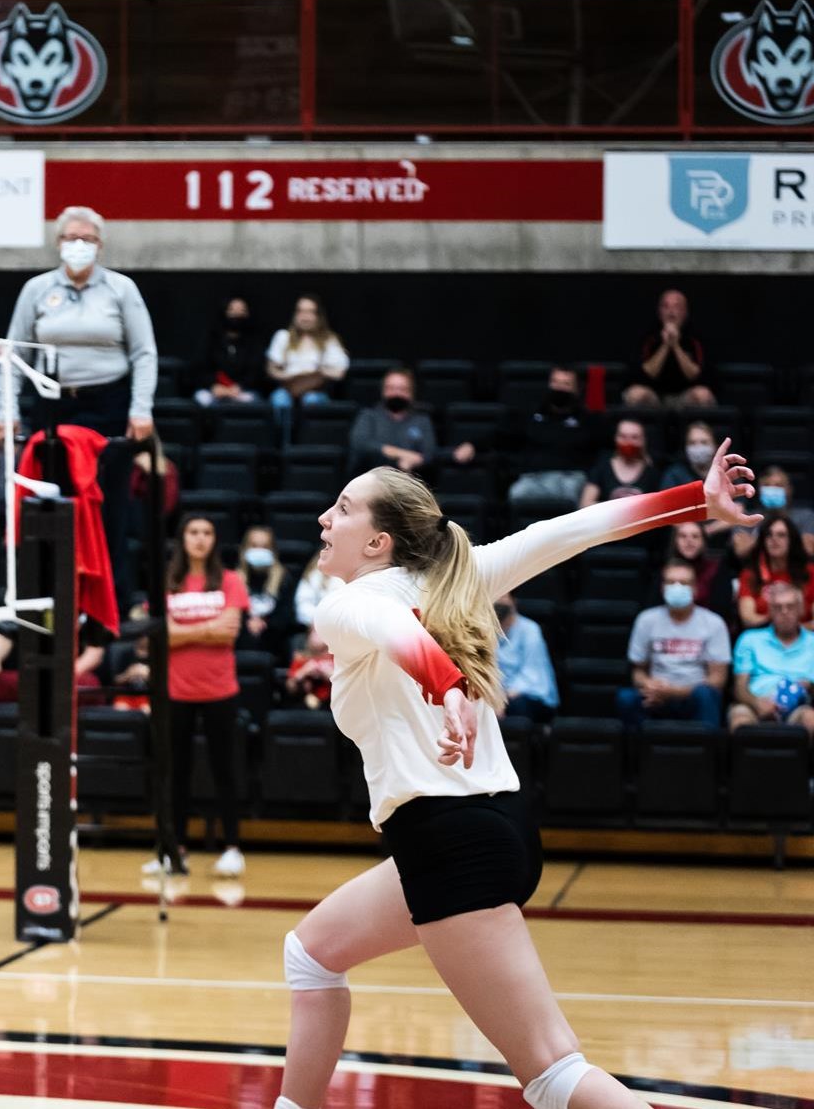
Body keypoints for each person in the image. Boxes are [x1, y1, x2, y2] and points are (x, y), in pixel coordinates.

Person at [274, 444, 756, 1109]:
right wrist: (691, 501)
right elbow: (567, 531)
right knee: (312, 953)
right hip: (494, 827)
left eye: (344, 509)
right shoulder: (459, 575)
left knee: (551, 1071)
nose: (326, 518)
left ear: (379, 541)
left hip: (447, 839)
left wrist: (444, 686)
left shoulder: (347, 603)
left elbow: (390, 627)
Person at [5, 206, 158, 440]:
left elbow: (144, 353)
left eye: (88, 239)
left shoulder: (121, 288)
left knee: (106, 475)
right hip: (51, 404)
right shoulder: (36, 288)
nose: (79, 245)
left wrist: (141, 410)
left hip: (108, 404)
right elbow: (14, 355)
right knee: (50, 475)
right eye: (72, 238)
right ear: (59, 242)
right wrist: (7, 410)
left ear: (99, 246)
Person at [155, 514, 248, 879]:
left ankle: (231, 848)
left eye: (207, 532)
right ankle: (175, 849)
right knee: (176, 772)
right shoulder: (168, 581)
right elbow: (162, 637)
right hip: (176, 691)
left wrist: (183, 631)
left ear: (214, 540)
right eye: (193, 532)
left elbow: (230, 633)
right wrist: (208, 627)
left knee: (224, 770)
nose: (200, 538)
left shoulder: (229, 580)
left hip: (220, 689)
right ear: (183, 538)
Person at [617, 559, 730, 731]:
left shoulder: (714, 623)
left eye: (684, 583)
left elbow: (718, 680)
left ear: (695, 589)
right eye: (671, 582)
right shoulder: (646, 620)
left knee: (707, 695)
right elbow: (637, 671)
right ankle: (638, 755)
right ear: (662, 588)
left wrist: (675, 692)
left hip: (694, 697)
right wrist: (648, 684)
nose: (677, 587)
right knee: (626, 698)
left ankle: (707, 755)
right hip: (655, 697)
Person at [727, 581, 814, 735]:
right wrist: (757, 703)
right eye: (778, 607)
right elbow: (740, 687)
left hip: (799, 707)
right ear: (770, 612)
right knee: (740, 721)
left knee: (810, 719)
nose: (785, 612)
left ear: (801, 609)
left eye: (791, 606)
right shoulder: (749, 639)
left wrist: (809, 686)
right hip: (754, 703)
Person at [507, 366, 599, 505]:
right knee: (517, 493)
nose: (559, 388)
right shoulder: (532, 414)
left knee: (571, 497)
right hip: (534, 477)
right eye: (555, 382)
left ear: (577, 389)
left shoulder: (587, 419)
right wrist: (472, 445)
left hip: (570, 477)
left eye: (566, 384)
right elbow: (502, 436)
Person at [265, 295, 348, 442]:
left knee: (312, 400)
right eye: (301, 311)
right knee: (279, 400)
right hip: (288, 388)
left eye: (310, 312)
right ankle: (283, 446)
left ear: (318, 316)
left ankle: (308, 443)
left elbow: (340, 372)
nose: (305, 317)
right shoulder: (283, 336)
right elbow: (271, 369)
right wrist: (287, 376)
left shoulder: (328, 339)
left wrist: (319, 373)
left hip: (315, 390)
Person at [624, 289, 712, 408]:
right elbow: (648, 373)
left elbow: (694, 374)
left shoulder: (695, 338)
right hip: (655, 397)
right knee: (636, 393)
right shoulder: (648, 337)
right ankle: (633, 427)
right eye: (666, 307)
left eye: (677, 307)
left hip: (685, 398)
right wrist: (665, 345)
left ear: (685, 312)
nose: (671, 312)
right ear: (659, 312)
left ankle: (698, 427)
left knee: (702, 394)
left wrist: (675, 345)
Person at [347, 367, 437, 477]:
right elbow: (361, 444)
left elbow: (429, 454)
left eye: (402, 389)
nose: (396, 393)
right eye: (391, 388)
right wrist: (401, 454)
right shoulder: (369, 416)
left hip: (411, 483)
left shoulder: (422, 420)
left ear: (411, 393)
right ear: (383, 391)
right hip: (370, 480)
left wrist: (413, 461)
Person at [736, 512, 813, 628]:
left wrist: (793, 632)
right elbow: (748, 618)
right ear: (763, 541)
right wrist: (779, 627)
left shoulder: (810, 572)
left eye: (781, 535)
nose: (774, 539)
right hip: (763, 638)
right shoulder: (751, 574)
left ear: (792, 540)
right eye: (769, 535)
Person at [495, 592, 558, 724]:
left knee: (518, 706)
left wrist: (502, 699)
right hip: (498, 695)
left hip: (528, 694)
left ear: (513, 601)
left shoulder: (530, 629)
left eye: (503, 596)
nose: (499, 601)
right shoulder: (484, 630)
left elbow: (530, 675)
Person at [193, 295, 265, 407]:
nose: (236, 314)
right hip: (214, 390)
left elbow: (256, 372)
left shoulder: (254, 342)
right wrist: (214, 386)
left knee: (253, 401)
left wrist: (239, 387)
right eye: (232, 310)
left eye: (241, 311)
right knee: (202, 398)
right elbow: (200, 368)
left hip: (243, 391)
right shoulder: (211, 339)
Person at [579, 417, 657, 508]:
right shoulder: (603, 467)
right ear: (616, 438)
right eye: (623, 436)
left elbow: (659, 508)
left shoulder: (652, 471)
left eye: (634, 437)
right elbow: (585, 504)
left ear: (643, 440)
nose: (628, 442)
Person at [236, 525, 286, 653]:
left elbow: (286, 616)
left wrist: (264, 622)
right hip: (241, 640)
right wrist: (248, 622)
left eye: (264, 547)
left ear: (273, 551)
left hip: (273, 642)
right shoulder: (234, 579)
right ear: (245, 549)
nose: (259, 551)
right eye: (254, 546)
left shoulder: (284, 578)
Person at [659, 420, 721, 491]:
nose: (698, 447)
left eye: (704, 442)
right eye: (692, 443)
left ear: (715, 447)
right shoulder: (674, 476)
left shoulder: (725, 475)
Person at [286, 628, 336, 710]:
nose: (317, 636)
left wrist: (327, 673)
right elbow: (290, 687)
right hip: (302, 704)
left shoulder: (337, 659)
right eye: (314, 632)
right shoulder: (301, 659)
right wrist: (303, 672)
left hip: (330, 705)